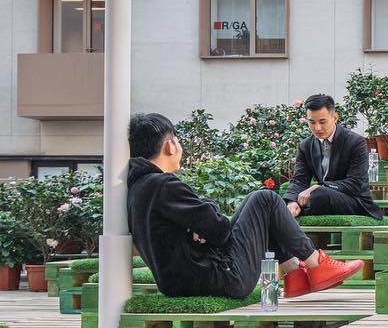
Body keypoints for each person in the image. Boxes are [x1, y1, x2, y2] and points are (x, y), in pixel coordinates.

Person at [126, 112, 364, 300]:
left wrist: (197, 225)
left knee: (259, 204)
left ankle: (295, 274)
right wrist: (204, 220)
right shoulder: (163, 185)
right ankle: (316, 263)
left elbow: (200, 226)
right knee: (265, 199)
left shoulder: (140, 187)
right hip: (220, 278)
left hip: (185, 280)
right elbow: (219, 230)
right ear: (169, 146)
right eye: (177, 140)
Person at [284, 93, 383, 220]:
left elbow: (355, 183)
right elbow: (299, 180)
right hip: (322, 198)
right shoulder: (305, 146)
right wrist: (292, 202)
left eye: (322, 122)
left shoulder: (355, 142)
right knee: (274, 199)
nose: (317, 128)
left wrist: (321, 186)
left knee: (318, 195)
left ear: (335, 117)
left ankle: (305, 207)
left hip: (354, 201)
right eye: (312, 122)